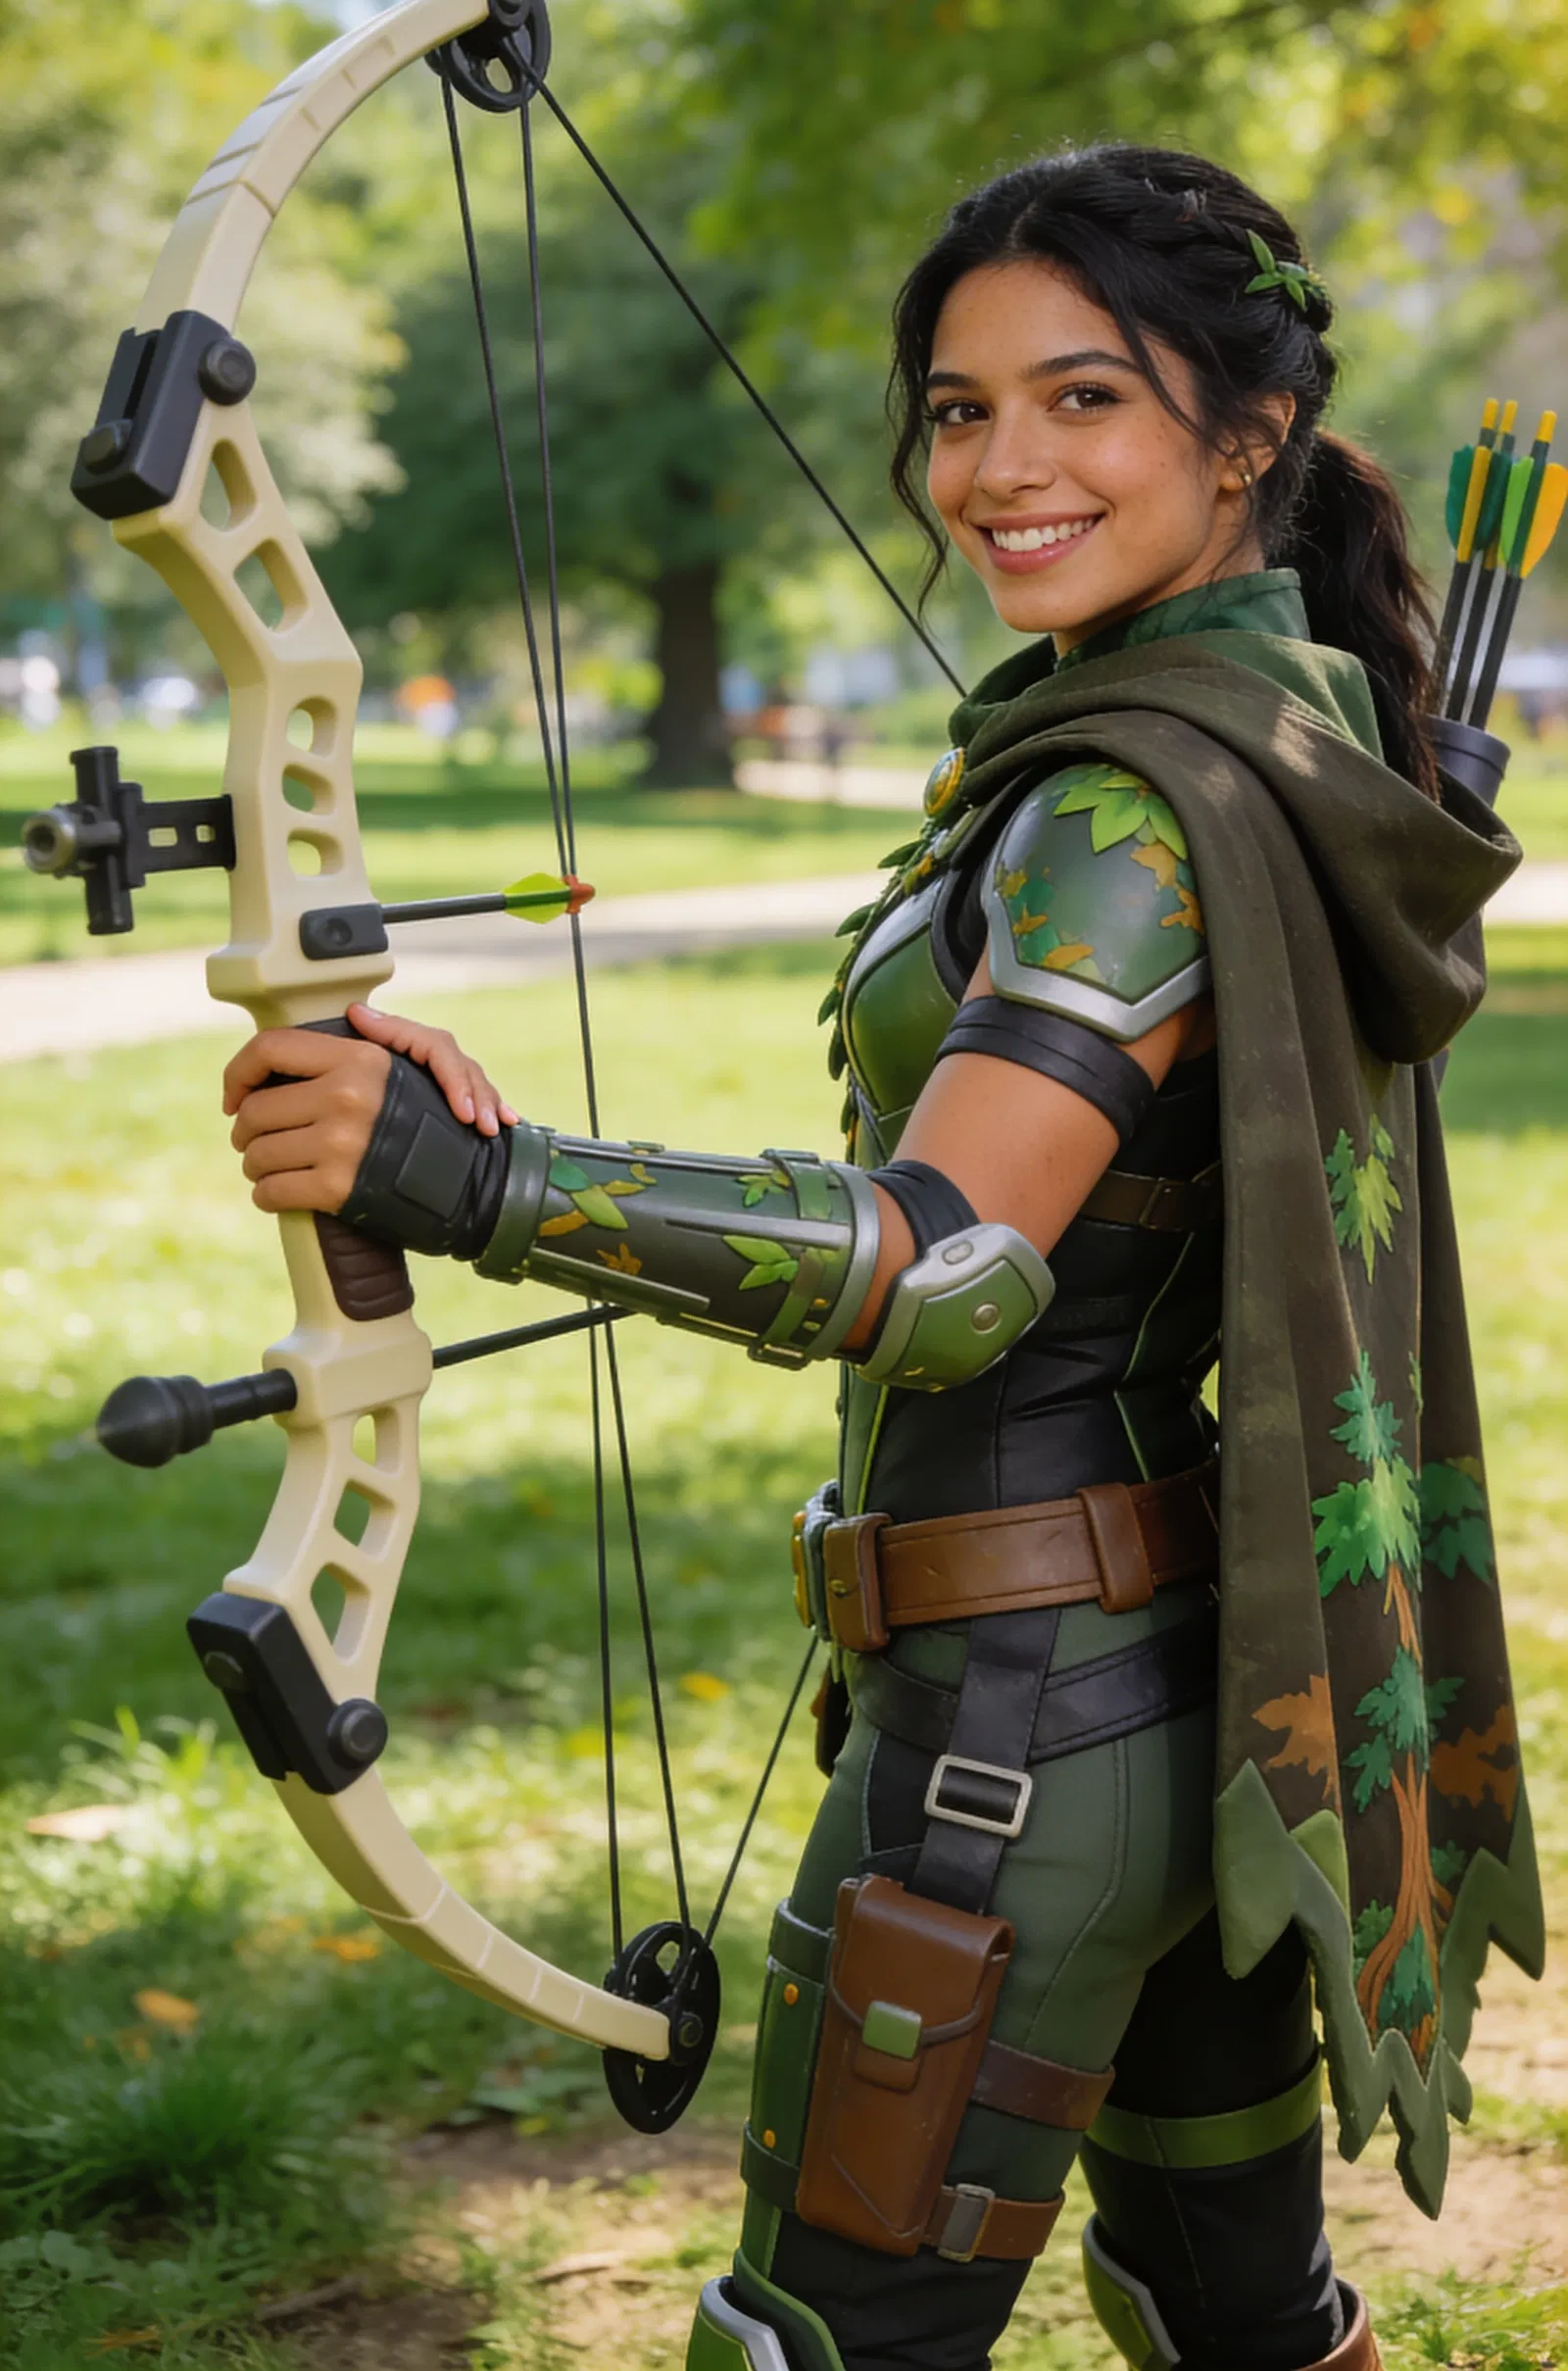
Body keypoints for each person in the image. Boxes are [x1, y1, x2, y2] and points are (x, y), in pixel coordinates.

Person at [221, 147, 1542, 2371]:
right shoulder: (1261, 733)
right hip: (1191, 1684)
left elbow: (940, 1263)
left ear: (1247, 437)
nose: (1000, 468)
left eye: (1082, 398)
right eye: (955, 409)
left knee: (820, 2345)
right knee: (1226, 2306)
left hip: (1023, 1734)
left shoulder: (1128, 808)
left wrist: (467, 1179)